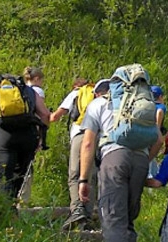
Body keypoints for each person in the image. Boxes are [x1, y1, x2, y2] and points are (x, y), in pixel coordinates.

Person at [79, 76, 164, 242]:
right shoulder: (143, 105)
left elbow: (88, 144)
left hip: (114, 159)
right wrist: (145, 162)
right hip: (140, 161)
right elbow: (159, 140)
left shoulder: (99, 103)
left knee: (113, 219)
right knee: (127, 220)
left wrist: (83, 179)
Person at [0, 74, 50, 201]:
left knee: (3, 177)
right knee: (19, 176)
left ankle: (3, 211)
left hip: (4, 137)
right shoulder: (28, 91)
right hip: (28, 137)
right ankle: (13, 205)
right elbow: (45, 114)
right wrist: (41, 138)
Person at [50, 78, 110, 230]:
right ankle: (87, 216)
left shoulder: (76, 93)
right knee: (92, 175)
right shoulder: (110, 101)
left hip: (81, 134)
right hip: (101, 138)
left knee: (75, 174)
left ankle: (77, 210)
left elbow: (57, 115)